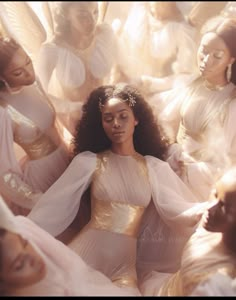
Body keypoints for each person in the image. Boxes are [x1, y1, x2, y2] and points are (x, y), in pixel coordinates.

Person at [28, 83, 206, 293]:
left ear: (136, 119)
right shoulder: (89, 162)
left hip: (124, 270)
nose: (116, 124)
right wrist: (18, 232)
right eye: (108, 118)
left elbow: (178, 211)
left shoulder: (153, 167)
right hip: (85, 258)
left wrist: (211, 209)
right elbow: (54, 207)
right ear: (100, 124)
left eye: (123, 116)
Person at [159, 16, 236, 201]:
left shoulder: (232, 102)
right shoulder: (193, 84)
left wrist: (190, 168)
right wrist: (172, 149)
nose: (206, 60)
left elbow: (227, 162)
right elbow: (166, 119)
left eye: (217, 56)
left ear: (231, 60)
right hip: (172, 167)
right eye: (203, 50)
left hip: (201, 184)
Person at [0, 195, 140, 296]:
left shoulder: (23, 229)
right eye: (19, 265)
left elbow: (73, 264)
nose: (33, 257)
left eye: (25, 244)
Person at [34, 1, 133, 135]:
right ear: (65, 14)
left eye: (95, 12)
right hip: (76, 123)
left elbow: (126, 67)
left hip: (109, 114)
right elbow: (38, 94)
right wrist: (71, 108)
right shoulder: (51, 49)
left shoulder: (105, 33)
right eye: (82, 15)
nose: (92, 21)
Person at [0, 37, 70, 215]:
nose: (29, 73)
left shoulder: (34, 82)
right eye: (18, 73)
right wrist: (36, 199)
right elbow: (3, 172)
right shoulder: (3, 111)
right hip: (43, 177)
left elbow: (55, 111)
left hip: (66, 157)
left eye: (28, 63)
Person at [149, 166, 236, 296]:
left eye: (223, 206)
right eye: (215, 193)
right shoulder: (211, 225)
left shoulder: (220, 284)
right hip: (160, 288)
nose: (210, 208)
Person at [121, 1, 198, 96]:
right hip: (122, 88)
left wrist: (151, 83)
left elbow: (186, 75)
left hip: (156, 94)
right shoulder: (138, 9)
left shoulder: (181, 29)